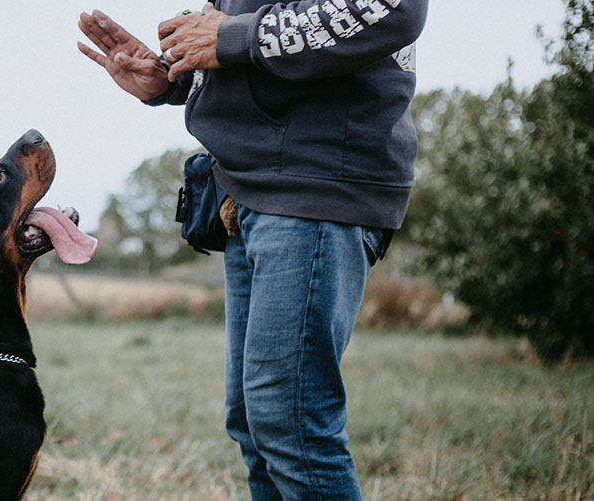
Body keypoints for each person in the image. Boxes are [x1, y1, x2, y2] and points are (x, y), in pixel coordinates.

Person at [78, 1, 427, 499]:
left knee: (290, 422)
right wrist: (170, 80)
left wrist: (232, 38)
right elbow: (242, 52)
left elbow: (391, 9)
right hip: (250, 191)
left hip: (316, 185)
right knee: (254, 424)